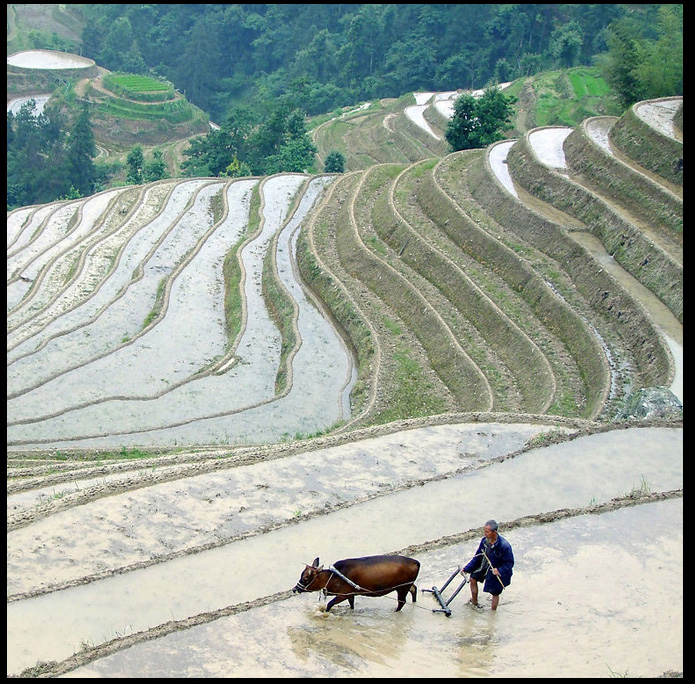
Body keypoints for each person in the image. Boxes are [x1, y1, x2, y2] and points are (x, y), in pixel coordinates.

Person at [461, 519, 514, 610]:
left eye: (487, 532)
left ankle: (493, 613)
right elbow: (477, 557)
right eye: (484, 531)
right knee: (473, 579)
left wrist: (499, 570)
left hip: (496, 571)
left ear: (494, 532)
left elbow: (510, 563)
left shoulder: (504, 546)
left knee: (495, 592)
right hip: (485, 565)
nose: (485, 534)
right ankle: (474, 603)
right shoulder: (484, 541)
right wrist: (467, 568)